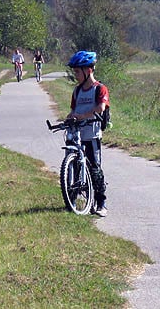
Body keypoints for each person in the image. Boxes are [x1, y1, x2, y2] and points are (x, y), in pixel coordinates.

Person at [65, 50, 110, 217]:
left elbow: (101, 108)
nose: (75, 75)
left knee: (95, 169)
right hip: (76, 134)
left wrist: (82, 116)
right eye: (75, 71)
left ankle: (101, 203)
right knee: (74, 167)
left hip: (92, 135)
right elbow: (73, 111)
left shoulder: (100, 89)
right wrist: (70, 118)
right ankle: (72, 198)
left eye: (77, 71)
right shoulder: (76, 91)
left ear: (88, 70)